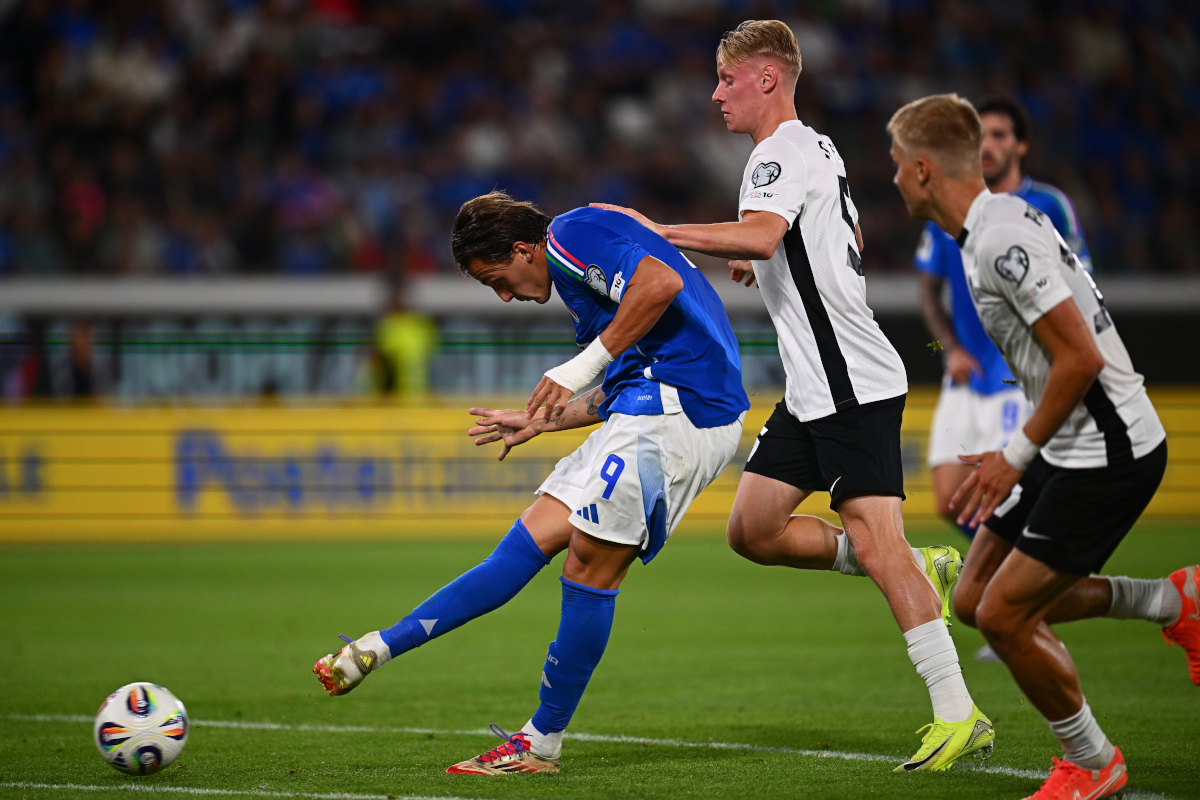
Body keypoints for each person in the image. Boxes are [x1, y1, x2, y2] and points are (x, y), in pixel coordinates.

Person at [594, 20, 993, 772]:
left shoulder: (778, 153)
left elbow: (764, 236)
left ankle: (956, 710)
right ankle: (916, 564)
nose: (716, 94)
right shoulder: (814, 147)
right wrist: (766, 261)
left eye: (726, 79)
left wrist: (658, 230)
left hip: (851, 382)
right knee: (752, 529)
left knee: (877, 541)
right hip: (815, 387)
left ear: (767, 79)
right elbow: (828, 239)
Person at [314, 192, 751, 774]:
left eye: (499, 279)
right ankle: (378, 646)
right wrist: (545, 418)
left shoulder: (569, 235)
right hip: (649, 406)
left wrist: (577, 367)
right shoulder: (591, 253)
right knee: (525, 543)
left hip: (680, 412)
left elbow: (660, 283)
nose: (503, 295)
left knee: (589, 568)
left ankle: (540, 743)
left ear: (524, 249)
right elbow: (628, 377)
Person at [887, 93, 1199, 800]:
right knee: (972, 601)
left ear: (926, 169)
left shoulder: (998, 240)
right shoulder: (988, 229)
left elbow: (1080, 359)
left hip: (1108, 449)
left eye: (899, 164)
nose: (895, 177)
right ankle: (1172, 602)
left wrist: (1014, 454)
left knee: (1004, 615)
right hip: (1066, 440)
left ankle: (1092, 763)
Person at [917, 96, 1094, 540]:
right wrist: (950, 348)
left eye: (999, 135)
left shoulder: (1049, 205)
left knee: (1004, 494)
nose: (987, 146)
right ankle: (1014, 582)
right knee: (948, 498)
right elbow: (928, 291)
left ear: (1022, 145)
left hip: (1019, 375)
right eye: (979, 137)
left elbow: (1082, 284)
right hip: (965, 373)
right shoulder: (949, 206)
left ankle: (1014, 590)